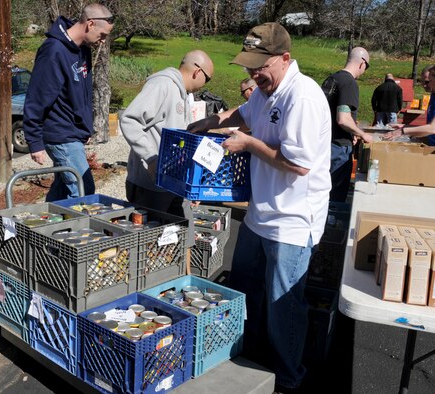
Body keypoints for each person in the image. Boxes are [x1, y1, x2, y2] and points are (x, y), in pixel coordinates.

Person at [187, 23, 331, 392]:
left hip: (293, 221)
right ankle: (247, 360)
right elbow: (244, 113)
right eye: (249, 67)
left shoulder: (303, 98)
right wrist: (213, 121)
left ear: (284, 58)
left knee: (284, 304)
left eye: (259, 67)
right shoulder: (267, 91)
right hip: (260, 214)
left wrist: (248, 145)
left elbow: (299, 165)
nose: (253, 75)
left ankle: (288, 377)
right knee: (244, 288)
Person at [23, 4, 114, 201]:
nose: (103, 41)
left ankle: (44, 228)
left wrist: (85, 126)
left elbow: (82, 94)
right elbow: (37, 97)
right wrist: (34, 141)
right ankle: (79, 230)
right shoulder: (53, 51)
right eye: (103, 34)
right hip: (60, 133)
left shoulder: (83, 50)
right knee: (83, 188)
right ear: (90, 24)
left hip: (74, 131)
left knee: (64, 188)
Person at [119, 50, 214, 218]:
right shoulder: (163, 84)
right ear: (198, 71)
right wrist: (152, 158)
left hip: (172, 183)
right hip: (150, 186)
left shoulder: (183, 93)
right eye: (207, 79)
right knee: (149, 240)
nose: (205, 84)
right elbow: (130, 119)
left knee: (178, 235)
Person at [322, 47, 373, 202]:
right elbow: (343, 119)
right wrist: (362, 133)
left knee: (323, 191)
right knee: (335, 196)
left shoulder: (331, 79)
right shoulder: (349, 82)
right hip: (338, 148)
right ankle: (330, 225)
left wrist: (352, 132)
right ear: (362, 63)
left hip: (324, 143)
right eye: (367, 67)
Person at [384, 65, 435, 145]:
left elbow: (432, 129)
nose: (425, 85)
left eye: (429, 81)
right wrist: (405, 127)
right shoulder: (433, 95)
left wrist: (403, 131)